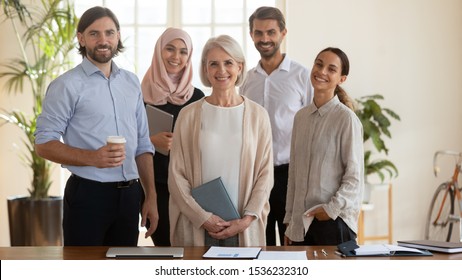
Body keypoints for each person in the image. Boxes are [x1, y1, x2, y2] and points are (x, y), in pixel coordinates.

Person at [34, 6, 159, 246]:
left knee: (122, 269)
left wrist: (150, 196)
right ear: (81, 38)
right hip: (88, 196)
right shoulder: (66, 85)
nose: (103, 40)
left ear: (118, 35)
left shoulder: (131, 82)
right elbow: (43, 144)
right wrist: (93, 158)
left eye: (109, 33)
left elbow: (143, 144)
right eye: (94, 34)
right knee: (85, 269)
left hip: (130, 196)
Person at [168, 34, 274, 246]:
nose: (221, 70)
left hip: (243, 225)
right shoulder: (188, 115)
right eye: (213, 64)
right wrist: (202, 217)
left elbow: (265, 173)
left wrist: (246, 219)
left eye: (228, 63)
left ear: (240, 67)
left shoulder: (258, 115)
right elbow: (176, 175)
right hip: (197, 223)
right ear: (205, 69)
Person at [239, 6, 313, 246]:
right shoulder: (246, 80)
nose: (265, 39)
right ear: (251, 35)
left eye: (271, 32)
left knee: (293, 243)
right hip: (255, 175)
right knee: (259, 241)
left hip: (290, 174)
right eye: (258, 33)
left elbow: (314, 126)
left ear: (283, 32)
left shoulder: (302, 76)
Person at [284, 47, 364, 246]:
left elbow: (354, 177)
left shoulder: (347, 119)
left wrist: (330, 210)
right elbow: (293, 173)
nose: (322, 72)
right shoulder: (300, 118)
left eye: (331, 69)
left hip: (334, 224)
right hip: (300, 228)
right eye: (319, 64)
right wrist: (290, 222)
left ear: (341, 79)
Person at [141, 28, 205, 246]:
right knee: (164, 248)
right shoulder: (139, 93)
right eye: (170, 49)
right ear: (159, 50)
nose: (176, 57)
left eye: (183, 51)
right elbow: (125, 138)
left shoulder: (197, 97)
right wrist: (151, 141)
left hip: (189, 187)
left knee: (191, 248)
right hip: (153, 185)